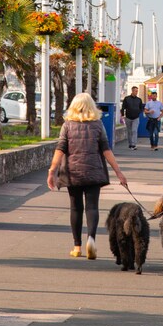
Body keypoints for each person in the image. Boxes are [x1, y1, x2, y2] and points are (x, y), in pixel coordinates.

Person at [47, 93, 128, 260]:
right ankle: (91, 239)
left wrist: (52, 171)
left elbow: (60, 148)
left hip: (72, 173)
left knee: (75, 208)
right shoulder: (97, 125)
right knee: (92, 207)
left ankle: (77, 247)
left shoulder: (67, 125)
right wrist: (118, 172)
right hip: (93, 172)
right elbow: (106, 150)